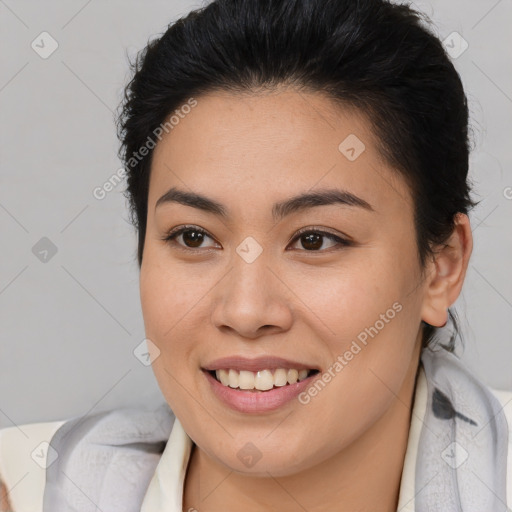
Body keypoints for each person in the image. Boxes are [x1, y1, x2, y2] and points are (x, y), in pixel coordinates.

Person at [1, 0, 511, 510]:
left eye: (315, 239)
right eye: (194, 237)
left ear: (441, 268)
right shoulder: (26, 489)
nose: (245, 312)